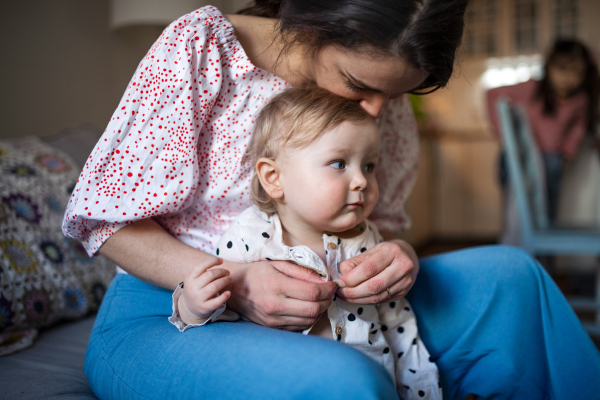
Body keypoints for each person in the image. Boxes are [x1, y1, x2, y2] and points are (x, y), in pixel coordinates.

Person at [62, 2, 600, 399]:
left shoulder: (379, 100)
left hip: (343, 307)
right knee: (343, 380)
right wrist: (237, 281)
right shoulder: (202, 49)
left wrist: (400, 257)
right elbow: (105, 222)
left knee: (514, 278)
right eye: (358, 83)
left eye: (394, 96)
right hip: (176, 311)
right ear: (315, 21)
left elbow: (377, 225)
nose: (375, 112)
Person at [171, 88, 441, 399]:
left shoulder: (369, 242)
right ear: (274, 178)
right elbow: (221, 320)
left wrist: (419, 389)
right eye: (339, 163)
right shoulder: (248, 240)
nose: (362, 181)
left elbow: (398, 324)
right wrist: (193, 306)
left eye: (369, 166)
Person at [487, 39, 600, 221]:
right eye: (562, 69)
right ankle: (517, 245)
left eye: (577, 72)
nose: (568, 78)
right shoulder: (532, 87)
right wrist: (502, 134)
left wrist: (569, 149)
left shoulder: (580, 99)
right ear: (549, 66)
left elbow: (579, 126)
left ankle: (542, 247)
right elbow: (491, 93)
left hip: (553, 159)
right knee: (517, 214)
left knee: (547, 210)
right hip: (520, 157)